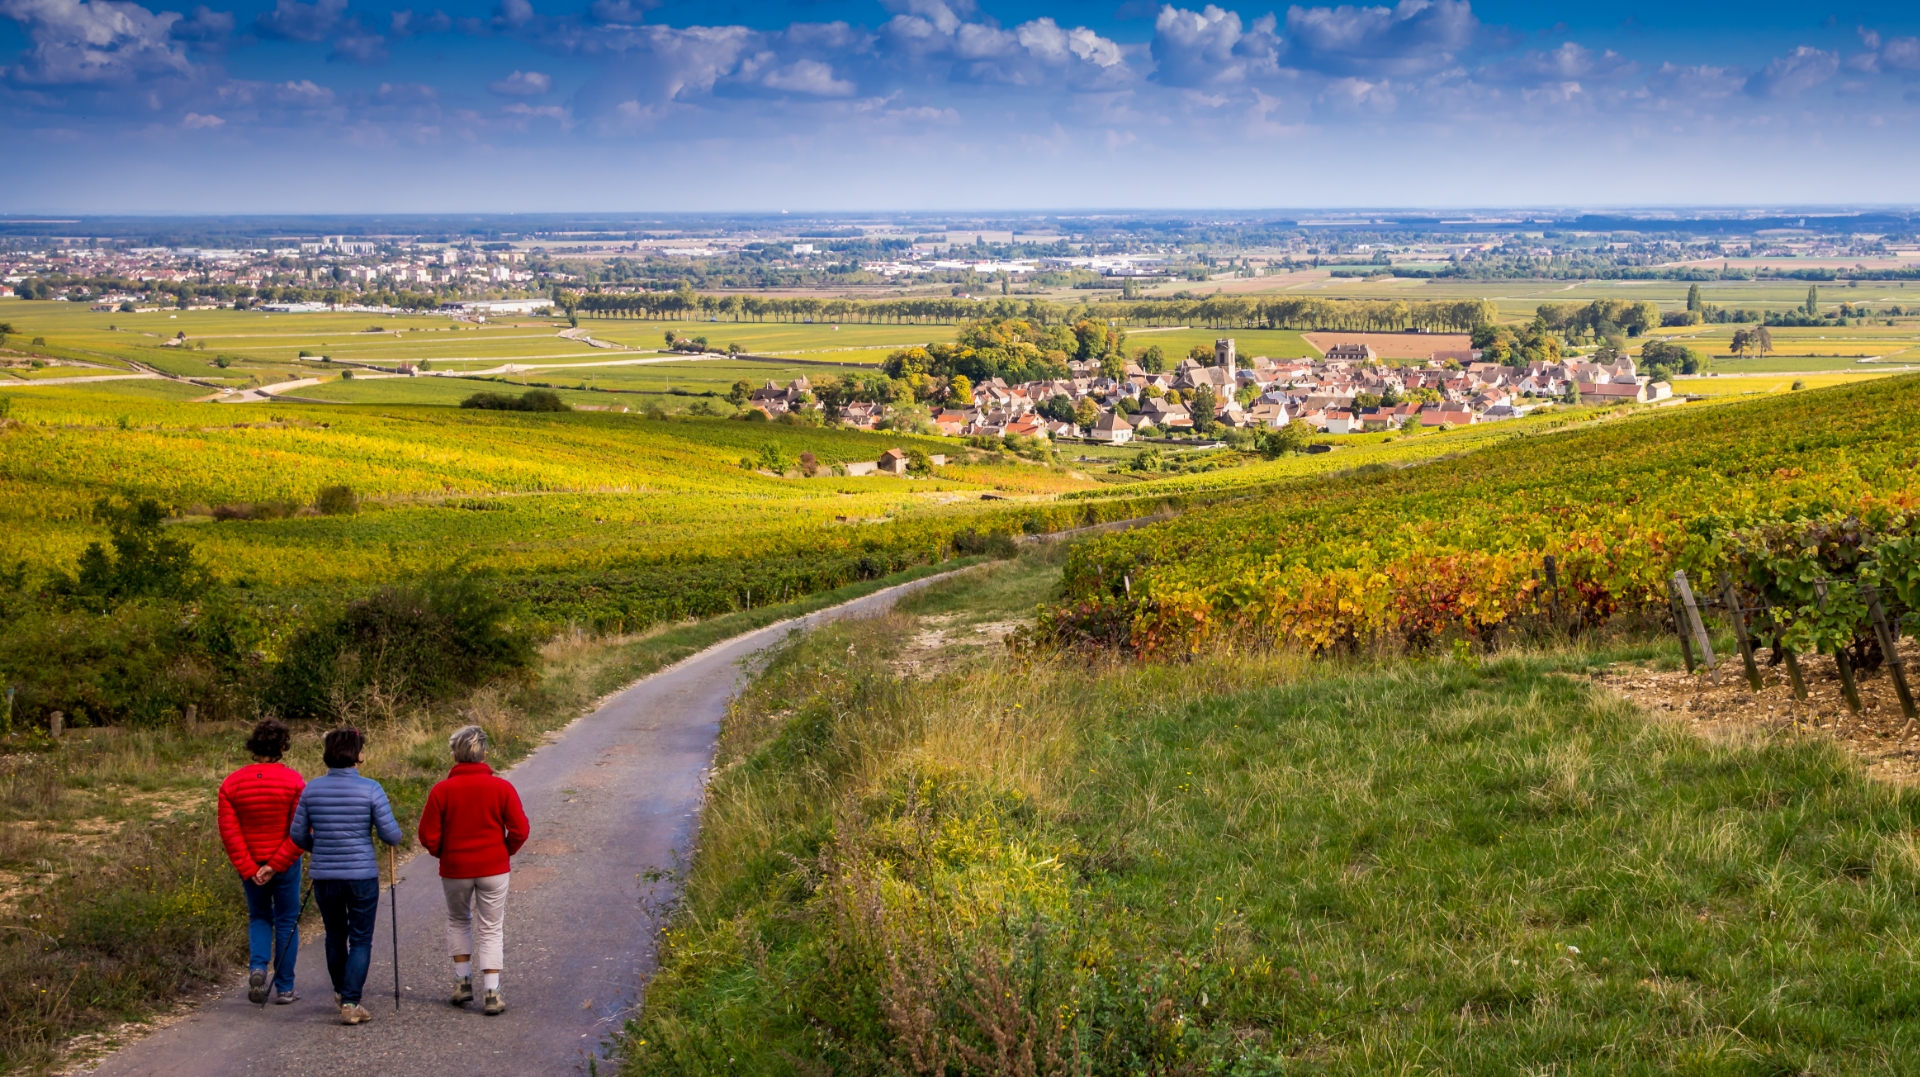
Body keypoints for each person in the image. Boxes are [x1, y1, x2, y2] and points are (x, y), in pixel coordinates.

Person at [290, 728, 402, 1026]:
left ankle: (341, 992)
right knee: (361, 939)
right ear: (358, 755)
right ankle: (351, 1001)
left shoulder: (311, 789)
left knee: (335, 936)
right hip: (361, 874)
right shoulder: (371, 789)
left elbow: (297, 835)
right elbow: (391, 835)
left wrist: (322, 847)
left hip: (325, 875)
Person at [417, 725, 529, 1017]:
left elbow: (427, 835)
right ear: (484, 754)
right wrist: (506, 851)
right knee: (491, 926)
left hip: (455, 868)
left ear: (454, 755)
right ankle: (492, 991)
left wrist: (444, 852)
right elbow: (520, 829)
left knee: (458, 920)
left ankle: (462, 981)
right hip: (493, 866)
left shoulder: (441, 790)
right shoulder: (502, 788)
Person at [217, 718, 307, 1007]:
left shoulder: (231, 783)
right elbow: (300, 829)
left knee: (258, 917)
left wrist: (249, 867)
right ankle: (284, 987)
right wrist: (277, 863)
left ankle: (257, 968)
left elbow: (230, 832)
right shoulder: (294, 781)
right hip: (284, 863)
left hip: (251, 862)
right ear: (282, 748)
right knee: (286, 921)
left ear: (253, 747)